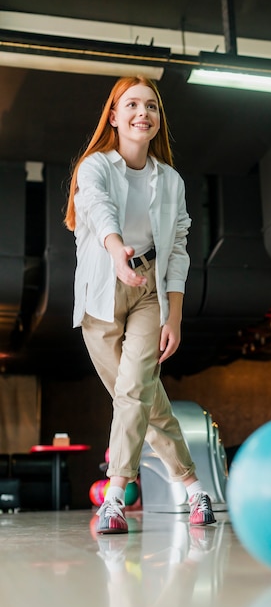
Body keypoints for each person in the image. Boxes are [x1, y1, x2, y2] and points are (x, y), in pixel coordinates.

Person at [65, 75, 216, 534]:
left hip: (148, 288)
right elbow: (96, 208)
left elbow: (178, 246)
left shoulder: (170, 180)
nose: (142, 113)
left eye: (151, 106)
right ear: (114, 116)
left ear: (157, 120)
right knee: (142, 399)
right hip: (101, 289)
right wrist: (115, 251)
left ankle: (113, 500)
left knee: (133, 391)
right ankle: (194, 488)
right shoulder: (94, 167)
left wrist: (175, 310)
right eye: (131, 105)